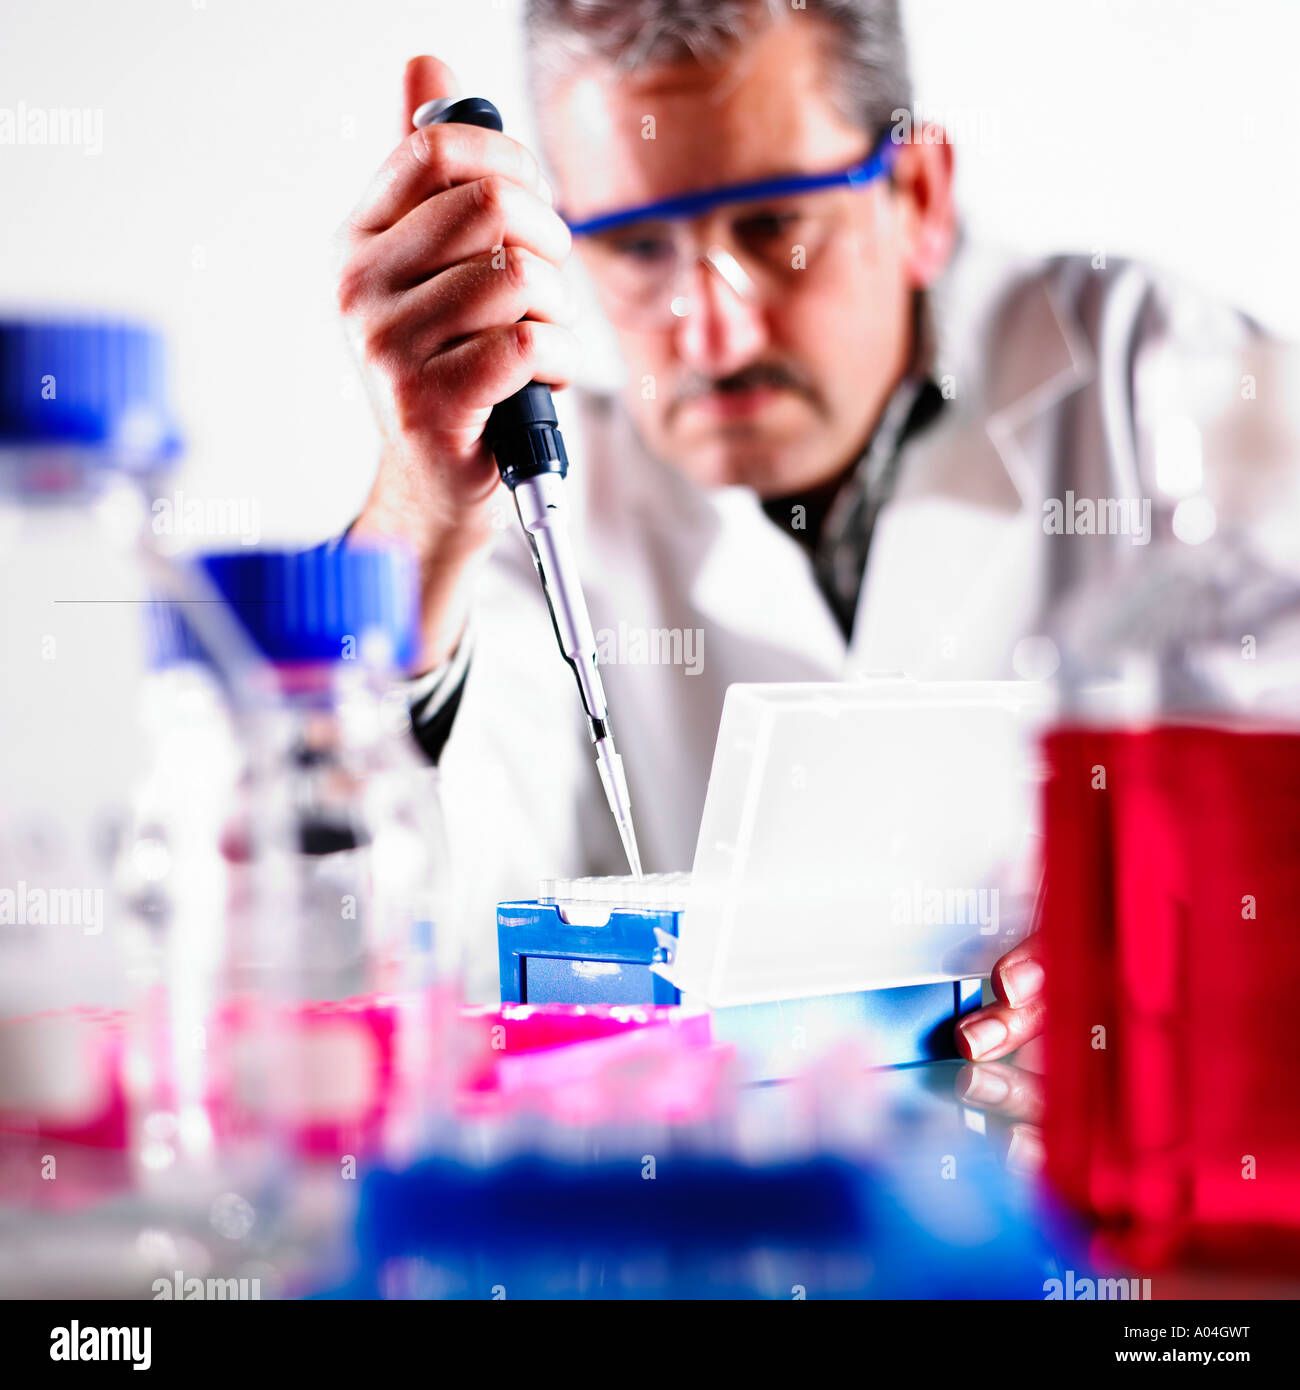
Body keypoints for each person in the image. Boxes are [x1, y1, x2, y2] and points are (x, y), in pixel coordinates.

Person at [335, 0, 1251, 1051]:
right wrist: (420, 507)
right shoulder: (535, 506)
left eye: (772, 226)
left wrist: (1183, 935)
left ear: (916, 194)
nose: (713, 330)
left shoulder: (1155, 379)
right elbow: (387, 960)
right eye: (635, 244)